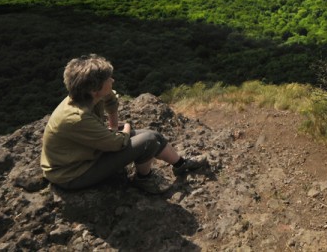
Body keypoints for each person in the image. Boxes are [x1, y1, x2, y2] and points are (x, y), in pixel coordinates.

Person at [40, 54, 207, 194]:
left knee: (153, 135)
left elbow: (110, 97)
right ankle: (144, 180)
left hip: (85, 154)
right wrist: (125, 128)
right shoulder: (77, 118)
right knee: (148, 140)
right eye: (108, 79)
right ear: (95, 89)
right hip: (72, 174)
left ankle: (181, 164)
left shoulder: (85, 96)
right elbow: (117, 143)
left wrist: (113, 126)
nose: (112, 80)